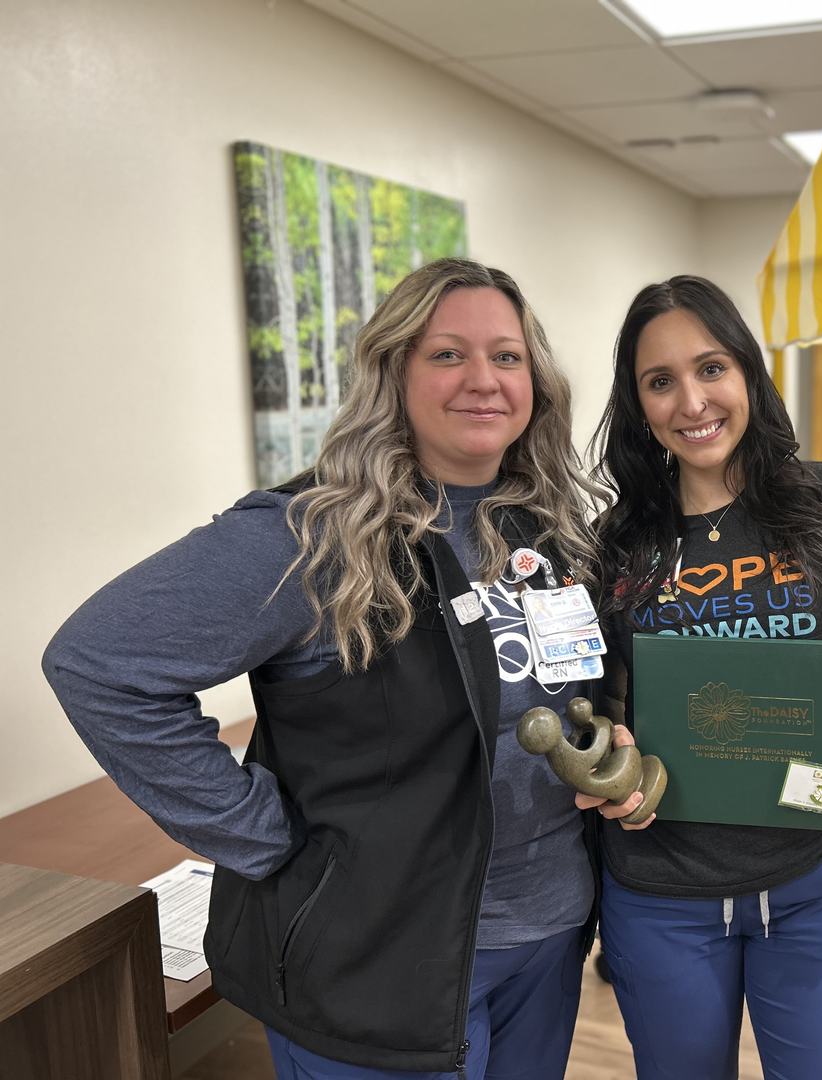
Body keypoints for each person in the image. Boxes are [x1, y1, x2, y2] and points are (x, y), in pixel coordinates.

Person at [43, 259, 606, 1078]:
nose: (483, 380)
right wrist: (263, 839)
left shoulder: (551, 527)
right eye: (447, 354)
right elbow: (99, 664)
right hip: (378, 962)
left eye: (507, 356)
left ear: (537, 378)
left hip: (547, 941)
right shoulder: (312, 536)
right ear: (394, 372)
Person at [586, 275, 822, 1080]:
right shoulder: (613, 543)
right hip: (662, 895)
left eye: (710, 369)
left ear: (747, 372)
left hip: (820, 877)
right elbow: (607, 707)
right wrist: (616, 777)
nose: (691, 401)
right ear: (638, 406)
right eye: (659, 382)